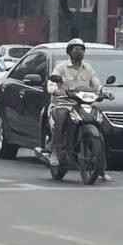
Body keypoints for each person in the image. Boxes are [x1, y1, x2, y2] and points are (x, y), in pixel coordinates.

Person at [47, 38, 102, 169]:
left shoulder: (88, 68)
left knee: (99, 120)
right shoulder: (61, 67)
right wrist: (55, 90)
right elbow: (52, 82)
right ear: (69, 52)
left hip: (82, 103)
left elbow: (96, 83)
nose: (79, 52)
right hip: (63, 103)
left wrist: (102, 91)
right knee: (61, 117)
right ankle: (55, 151)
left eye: (81, 49)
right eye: (75, 49)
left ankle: (101, 167)